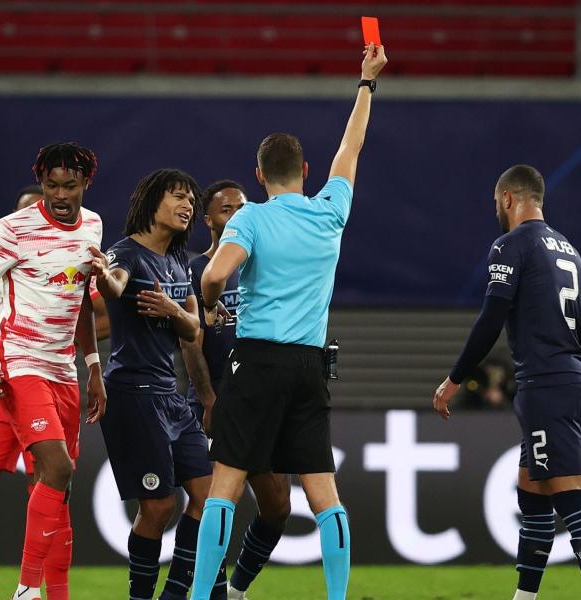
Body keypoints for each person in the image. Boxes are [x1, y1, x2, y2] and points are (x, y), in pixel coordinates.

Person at [188, 42, 388, 600]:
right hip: (309, 365)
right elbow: (352, 146)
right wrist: (367, 83)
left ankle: (204, 596)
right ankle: (337, 597)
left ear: (258, 174)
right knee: (324, 493)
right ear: (304, 171)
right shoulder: (330, 212)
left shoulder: (249, 217)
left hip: (255, 360)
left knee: (224, 488)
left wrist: (209, 304)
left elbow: (212, 277)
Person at [432, 165, 581, 600]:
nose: (497, 210)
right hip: (571, 381)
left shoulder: (511, 244)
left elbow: (491, 317)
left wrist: (455, 378)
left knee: (571, 495)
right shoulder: (569, 250)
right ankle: (525, 596)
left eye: (498, 203)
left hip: (546, 382)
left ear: (509, 200)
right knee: (532, 494)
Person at [0, 142, 106, 600]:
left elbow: (82, 302)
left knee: (57, 484)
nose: (59, 194)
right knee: (45, 470)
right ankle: (17, 590)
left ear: (86, 184)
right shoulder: (12, 230)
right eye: (51, 185)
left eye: (69, 185)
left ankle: (56, 593)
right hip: (15, 364)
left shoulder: (94, 226)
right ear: (41, 183)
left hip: (63, 371)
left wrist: (94, 366)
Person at [90, 169, 226, 600]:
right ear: (153, 202)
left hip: (170, 397)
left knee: (208, 500)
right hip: (133, 395)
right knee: (160, 507)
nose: (189, 206)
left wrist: (171, 308)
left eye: (192, 200)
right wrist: (101, 275)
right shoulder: (125, 253)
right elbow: (114, 287)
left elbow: (192, 328)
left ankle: (175, 593)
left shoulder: (176, 263)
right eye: (179, 197)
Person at [181, 179, 291, 600]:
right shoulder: (194, 272)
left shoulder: (260, 268)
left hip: (261, 402)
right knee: (214, 503)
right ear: (207, 219)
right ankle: (208, 592)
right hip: (215, 402)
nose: (235, 214)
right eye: (225, 209)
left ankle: (237, 589)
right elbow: (189, 342)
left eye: (242, 207)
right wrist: (207, 398)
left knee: (278, 506)